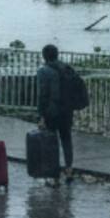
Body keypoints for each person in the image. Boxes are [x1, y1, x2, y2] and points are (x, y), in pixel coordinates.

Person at [37, 44, 74, 183]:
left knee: (52, 142)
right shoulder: (67, 68)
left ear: (44, 56)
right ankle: (69, 170)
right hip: (67, 110)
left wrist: (41, 115)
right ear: (57, 54)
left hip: (51, 112)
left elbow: (42, 95)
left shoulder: (43, 71)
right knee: (66, 140)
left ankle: (55, 176)